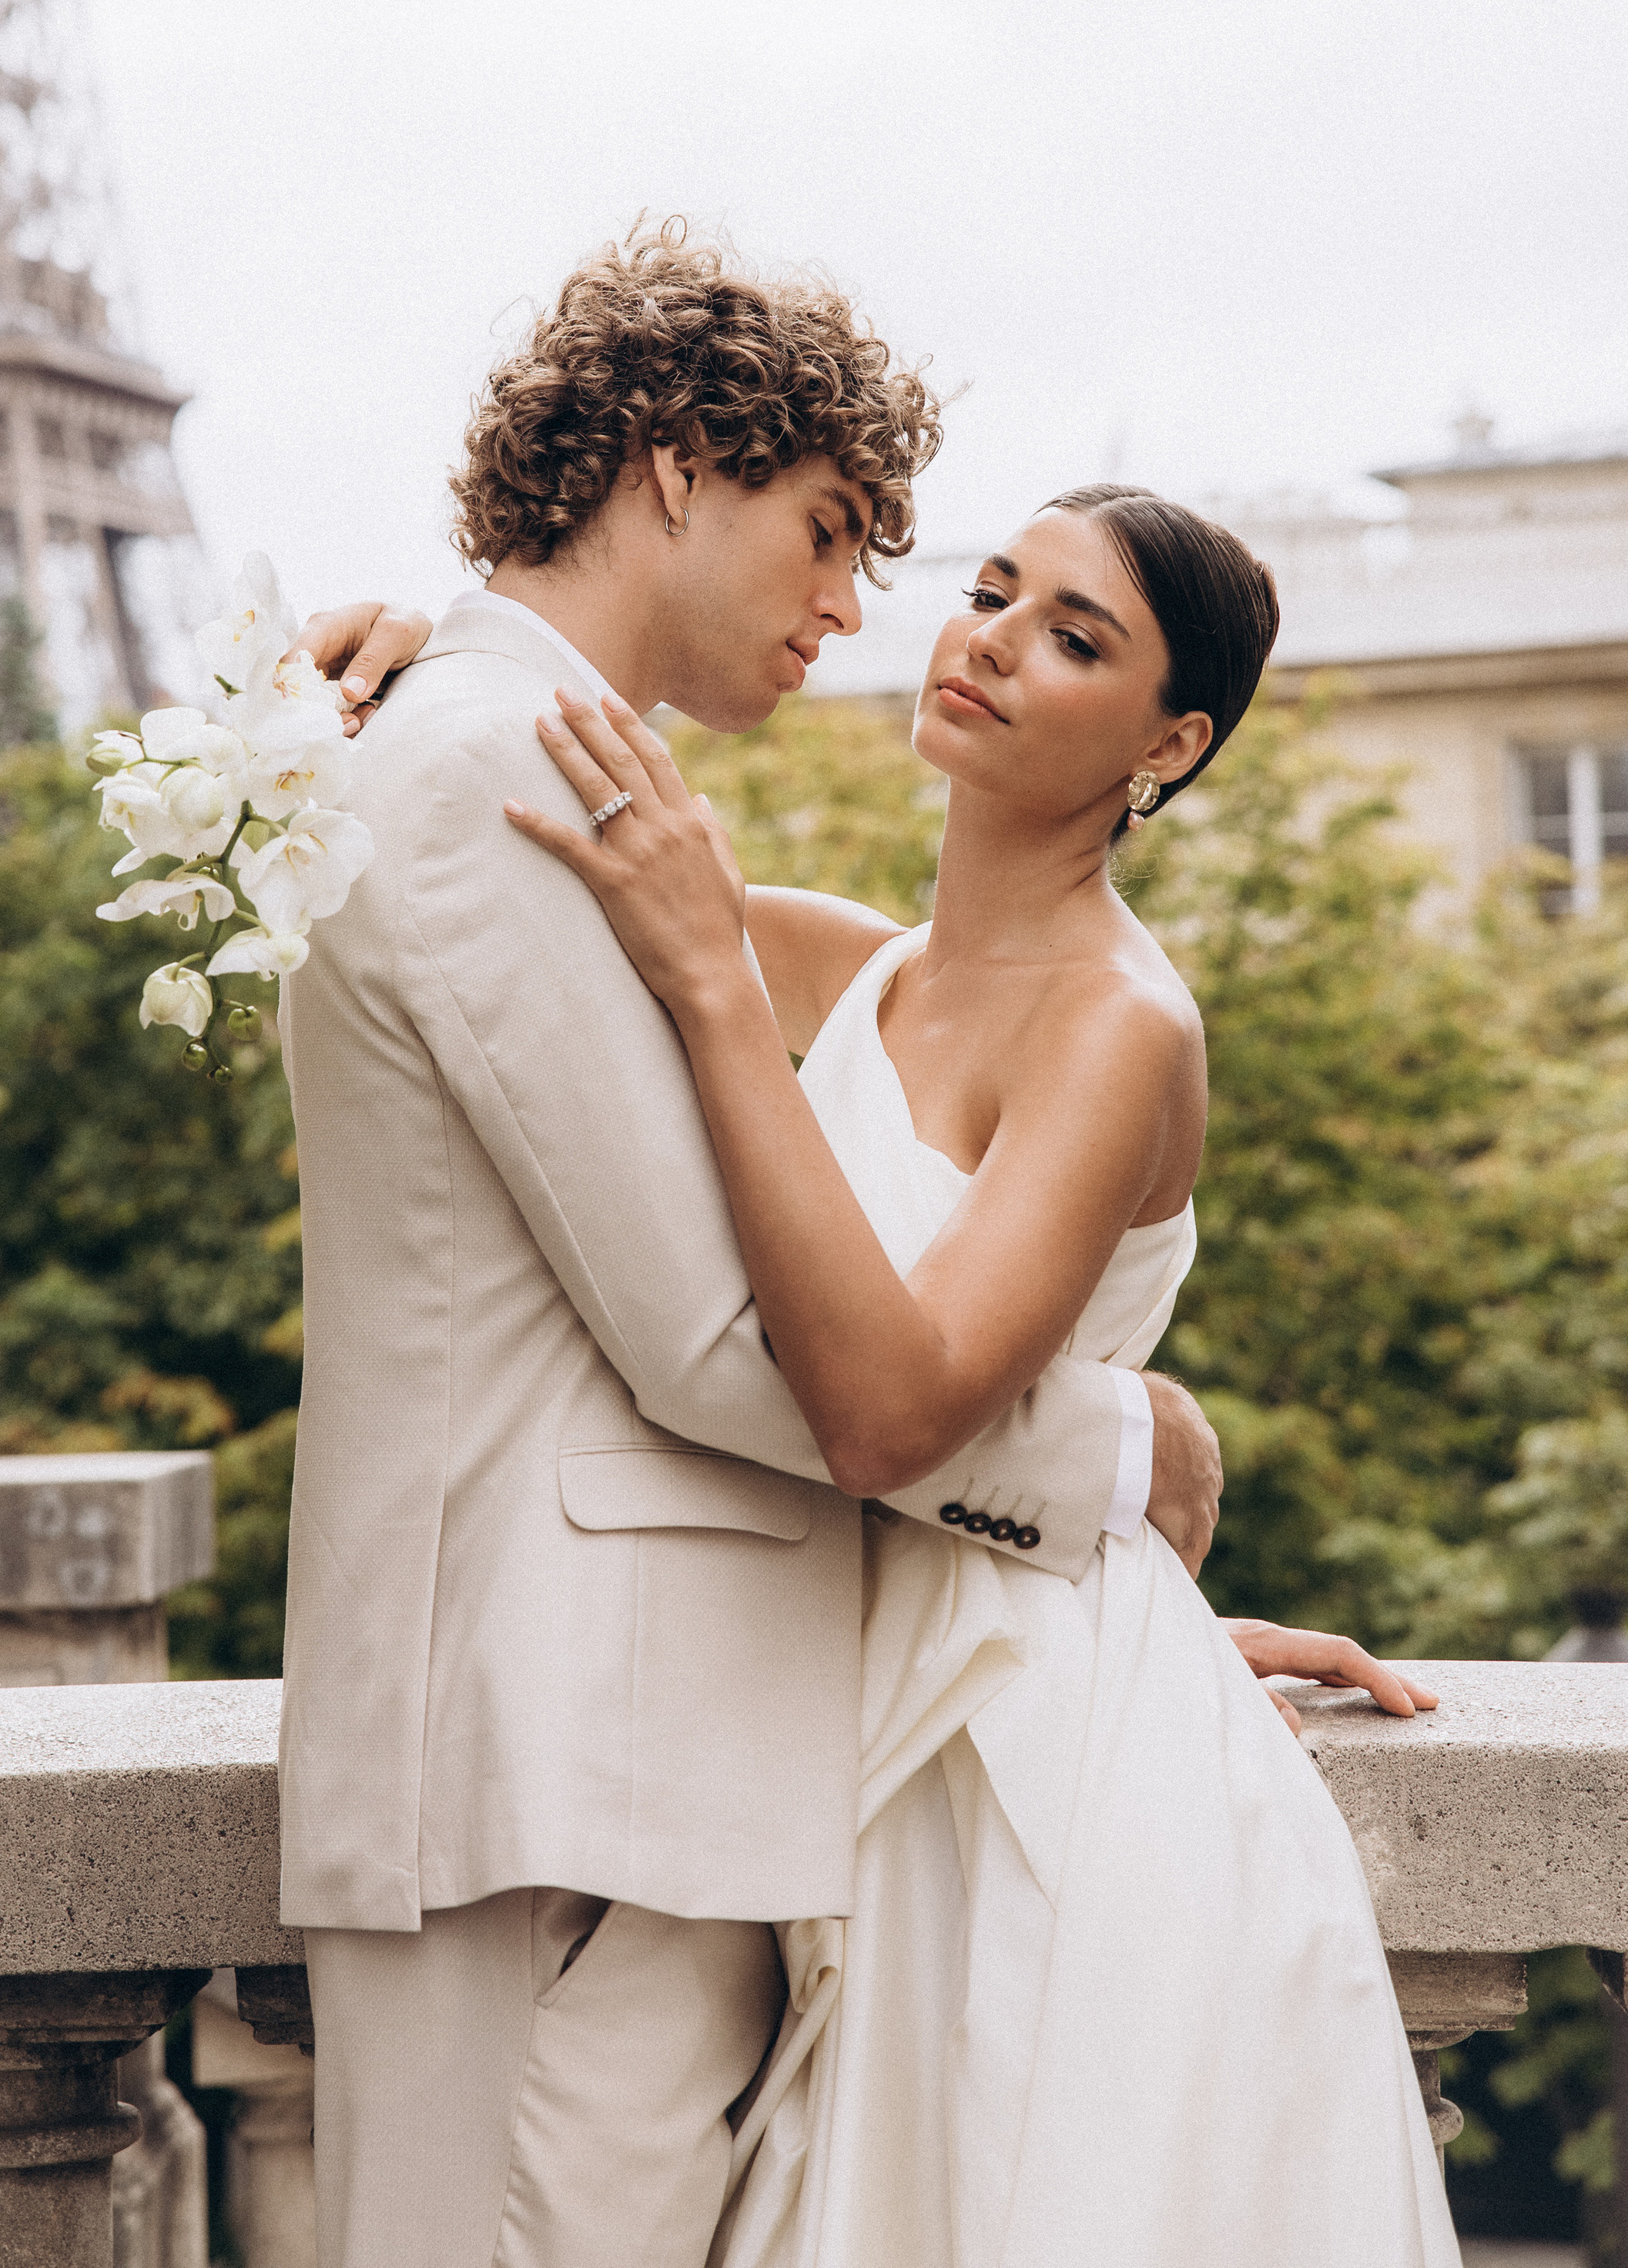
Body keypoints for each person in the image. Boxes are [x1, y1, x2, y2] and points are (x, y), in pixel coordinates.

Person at [277, 225, 1432, 2268]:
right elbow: (740, 1348)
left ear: (1173, 741)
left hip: (788, 1749)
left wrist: (1118, 1627)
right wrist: (1119, 1472)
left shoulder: (1048, 999)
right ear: (676, 470)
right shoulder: (551, 800)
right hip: (564, 1763)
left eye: (1066, 634)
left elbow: (843, 1334)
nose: (895, 619)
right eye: (865, 547)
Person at [495, 482, 1459, 2265]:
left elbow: (888, 1413)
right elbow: (536, 819)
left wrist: (717, 998)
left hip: (1024, 1775)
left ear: (1168, 742)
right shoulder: (868, 972)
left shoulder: (1118, 1025)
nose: (991, 639)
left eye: (1072, 635)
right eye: (993, 593)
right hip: (845, 1687)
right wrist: (412, 658)